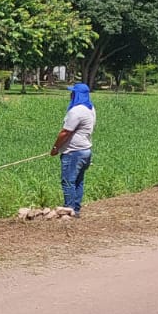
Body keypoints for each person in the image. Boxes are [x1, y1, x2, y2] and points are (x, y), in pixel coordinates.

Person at [50, 82, 96, 216]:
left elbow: (65, 132)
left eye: (73, 92)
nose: (70, 94)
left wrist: (55, 148)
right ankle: (75, 209)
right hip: (85, 150)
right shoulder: (90, 109)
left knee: (68, 181)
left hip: (73, 152)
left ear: (77, 94)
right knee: (78, 181)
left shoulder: (77, 111)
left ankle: (68, 210)